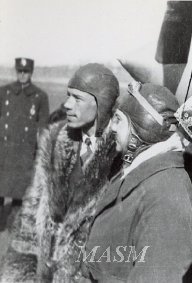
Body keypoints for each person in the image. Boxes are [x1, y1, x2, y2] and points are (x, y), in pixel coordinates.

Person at [0, 63, 120, 282]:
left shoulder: (120, 155)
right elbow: (30, 217)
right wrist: (18, 275)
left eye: (77, 98)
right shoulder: (56, 139)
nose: (66, 104)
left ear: (100, 103)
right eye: (67, 96)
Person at [82, 82, 192, 282]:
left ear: (143, 126)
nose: (112, 127)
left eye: (118, 120)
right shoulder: (142, 171)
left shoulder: (167, 193)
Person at [0, 57, 49, 203]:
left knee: (21, 194)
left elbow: (43, 127)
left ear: (31, 72)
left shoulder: (40, 96)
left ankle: (16, 224)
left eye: (26, 72)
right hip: (4, 150)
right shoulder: (4, 92)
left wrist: (41, 151)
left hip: (25, 153)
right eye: (20, 71)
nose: (22, 74)